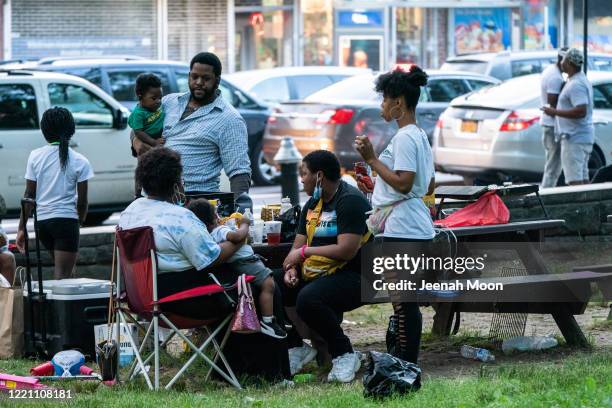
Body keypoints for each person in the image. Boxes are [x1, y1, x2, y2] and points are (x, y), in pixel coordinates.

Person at [355, 65, 435, 365]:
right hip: (412, 226)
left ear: (399, 102)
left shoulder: (404, 138)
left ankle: (406, 365)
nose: (382, 106)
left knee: (403, 304)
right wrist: (375, 184)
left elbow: (403, 181)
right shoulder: (418, 135)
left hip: (403, 230)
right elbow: (424, 184)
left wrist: (372, 159)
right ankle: (405, 363)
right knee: (403, 303)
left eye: (385, 100)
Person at [118, 147, 243, 317]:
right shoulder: (180, 218)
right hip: (183, 302)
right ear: (176, 185)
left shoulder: (129, 212)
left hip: (140, 298)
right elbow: (212, 258)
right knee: (247, 282)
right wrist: (240, 239)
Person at [281, 150, 371, 383]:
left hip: (357, 275)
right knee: (270, 283)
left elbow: (346, 250)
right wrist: (291, 268)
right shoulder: (313, 204)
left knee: (309, 297)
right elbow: (296, 249)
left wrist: (304, 253)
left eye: (304, 174)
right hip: (318, 272)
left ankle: (344, 353)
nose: (301, 179)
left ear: (319, 175)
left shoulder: (350, 201)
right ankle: (296, 346)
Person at [131, 52, 251, 196]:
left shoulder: (229, 119)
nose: (199, 82)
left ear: (217, 81)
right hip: (153, 197)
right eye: (194, 77)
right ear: (189, 76)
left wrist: (240, 212)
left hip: (195, 200)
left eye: (206, 78)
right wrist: (136, 141)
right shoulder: (168, 102)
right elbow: (138, 125)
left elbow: (239, 172)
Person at [187, 198, 286, 338]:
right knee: (269, 284)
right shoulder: (221, 230)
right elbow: (237, 236)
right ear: (215, 217)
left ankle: (273, 317)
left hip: (238, 264)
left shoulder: (207, 236)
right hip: (246, 262)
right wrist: (245, 224)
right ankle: (268, 320)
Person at [16, 107, 94, 279]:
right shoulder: (80, 161)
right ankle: (58, 307)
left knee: (67, 272)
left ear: (44, 131)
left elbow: (29, 195)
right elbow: (82, 203)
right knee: (63, 276)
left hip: (43, 224)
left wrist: (21, 228)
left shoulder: (35, 156)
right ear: (71, 129)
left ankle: (69, 306)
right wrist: (78, 223)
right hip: (66, 222)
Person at [543, 48, 594, 186]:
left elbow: (580, 111)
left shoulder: (576, 84)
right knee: (582, 177)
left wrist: (554, 112)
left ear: (570, 63)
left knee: (574, 180)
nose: (562, 63)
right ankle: (588, 206)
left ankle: (580, 207)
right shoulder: (577, 80)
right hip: (578, 137)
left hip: (574, 138)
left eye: (564, 60)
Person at [540, 48, 568, 188]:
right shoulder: (555, 77)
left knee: (552, 164)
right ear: (561, 60)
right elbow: (552, 102)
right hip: (552, 125)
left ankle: (546, 193)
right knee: (554, 166)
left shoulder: (551, 71)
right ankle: (546, 196)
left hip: (549, 124)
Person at [128, 73, 165, 157]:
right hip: (150, 145)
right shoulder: (138, 114)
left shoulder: (157, 106)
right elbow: (138, 132)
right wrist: (154, 142)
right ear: (140, 95)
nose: (158, 101)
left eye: (160, 97)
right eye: (154, 98)